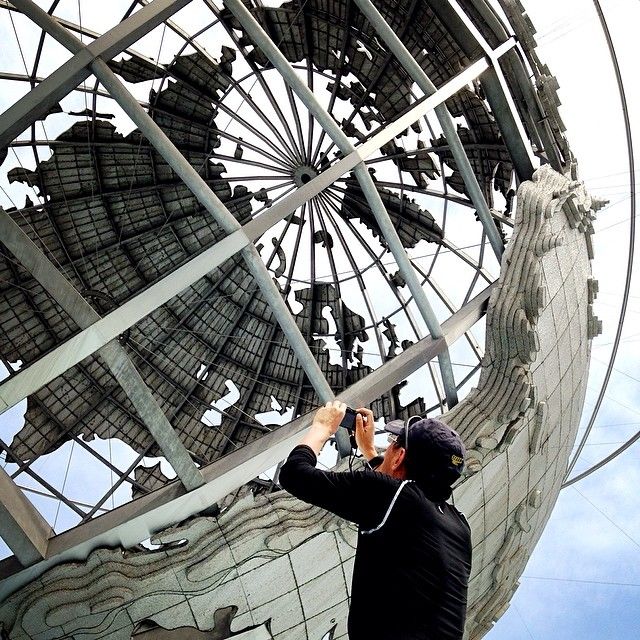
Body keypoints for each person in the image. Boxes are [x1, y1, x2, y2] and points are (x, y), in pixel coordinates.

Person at [278, 400, 471, 640]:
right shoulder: (460, 526)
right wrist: (369, 450)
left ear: (399, 456)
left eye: (391, 443)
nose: (386, 448)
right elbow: (397, 494)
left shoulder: (393, 496)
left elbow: (294, 474)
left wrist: (322, 428)